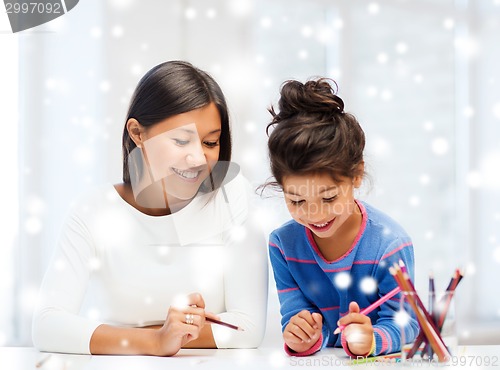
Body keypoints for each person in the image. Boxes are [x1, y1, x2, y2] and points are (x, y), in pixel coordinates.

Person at [32, 61, 268, 356]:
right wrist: (156, 341)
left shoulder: (232, 198)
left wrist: (129, 335)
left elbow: (248, 328)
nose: (198, 158)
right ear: (138, 133)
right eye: (182, 140)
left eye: (211, 142)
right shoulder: (93, 211)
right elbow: (47, 325)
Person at [264, 78, 419, 357]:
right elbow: (296, 317)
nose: (315, 214)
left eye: (329, 198)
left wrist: (372, 339)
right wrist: (303, 335)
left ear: (356, 175)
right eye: (296, 200)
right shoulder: (283, 245)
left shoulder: (389, 244)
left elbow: (407, 324)